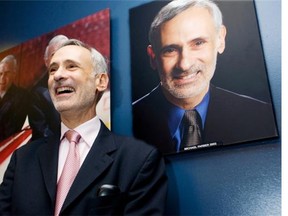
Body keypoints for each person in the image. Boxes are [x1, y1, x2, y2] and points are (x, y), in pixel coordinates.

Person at [0, 39, 167, 215]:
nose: (58, 76)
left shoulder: (139, 160)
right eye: (53, 69)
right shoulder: (22, 159)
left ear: (101, 81)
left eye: (71, 66)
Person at [132, 0, 278, 154]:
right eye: (170, 50)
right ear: (153, 57)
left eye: (198, 43)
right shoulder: (128, 123)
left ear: (220, 40)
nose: (184, 64)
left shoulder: (263, 117)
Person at [28, 35, 69, 140]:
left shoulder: (79, 82)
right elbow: (42, 132)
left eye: (64, 53)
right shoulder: (36, 93)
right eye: (54, 54)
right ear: (46, 61)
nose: (60, 58)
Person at [0, 55, 29, 142]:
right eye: (0, 73)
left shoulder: (22, 96)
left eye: (7, 73)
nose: (2, 78)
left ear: (14, 74)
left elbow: (12, 129)